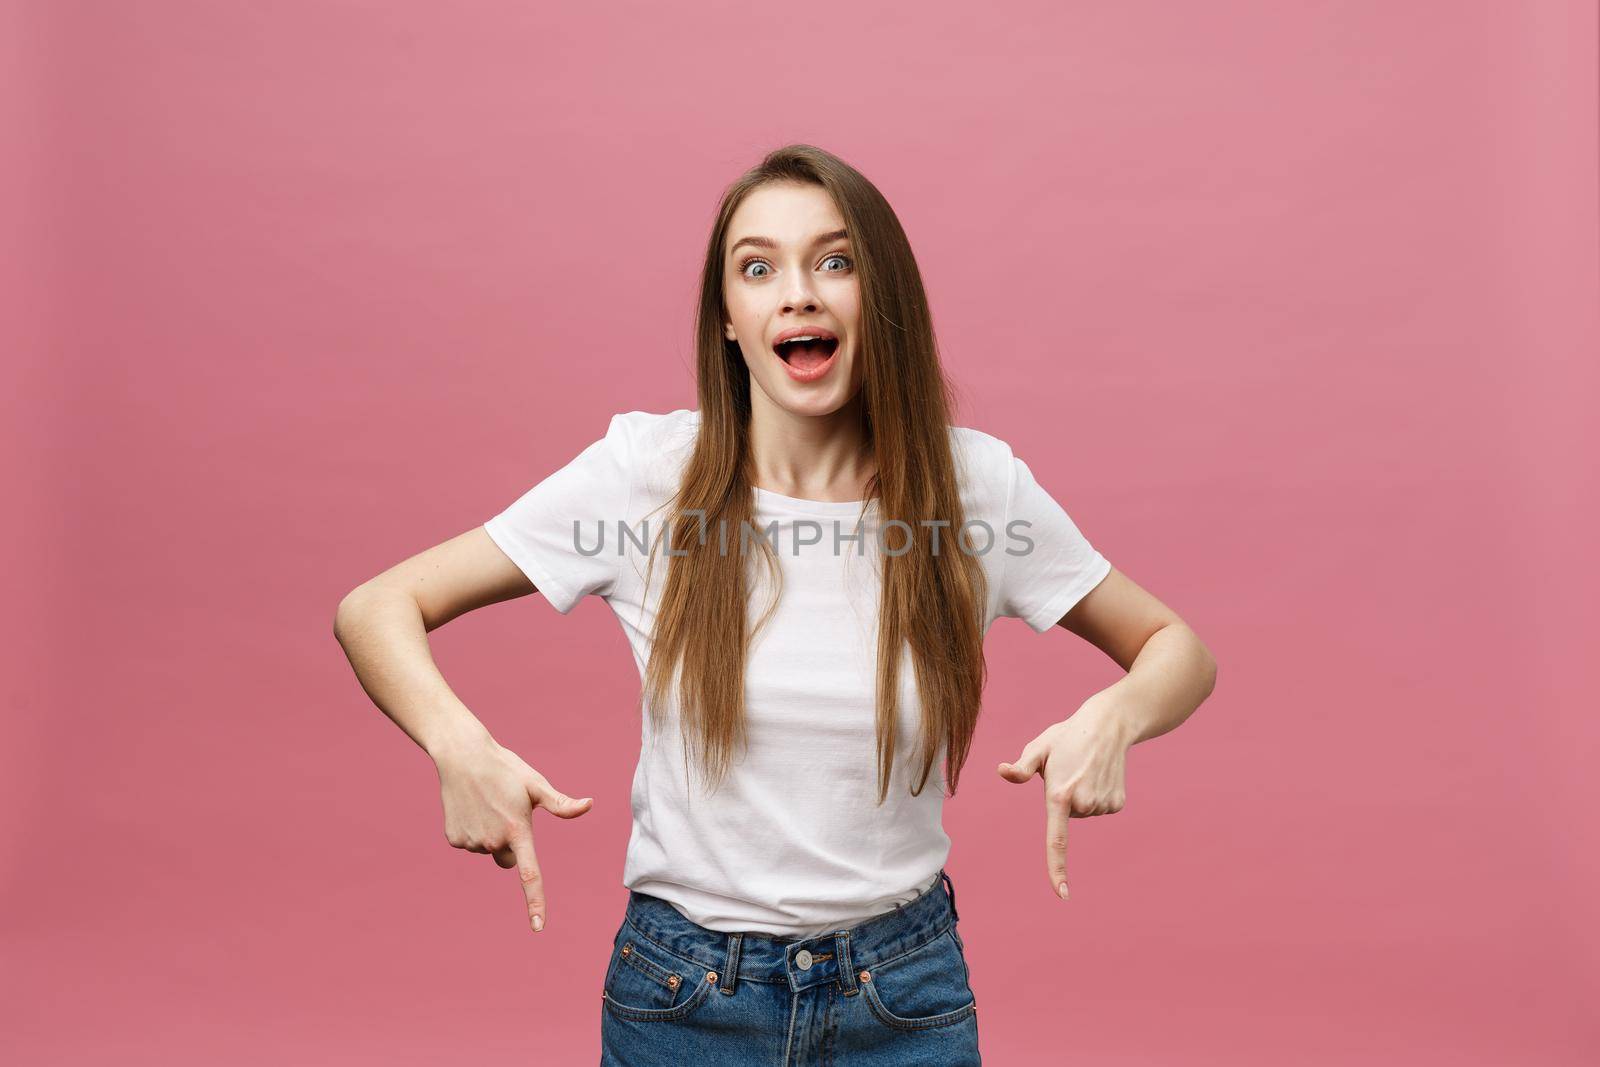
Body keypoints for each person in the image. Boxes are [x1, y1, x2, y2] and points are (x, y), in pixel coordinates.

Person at [333, 144, 1217, 1065]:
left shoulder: (975, 490)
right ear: (729, 318)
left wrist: (1117, 714)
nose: (798, 293)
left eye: (835, 261)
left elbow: (1177, 647)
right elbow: (378, 605)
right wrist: (457, 743)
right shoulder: (646, 479)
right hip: (684, 999)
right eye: (758, 268)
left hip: (903, 994)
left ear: (884, 297)